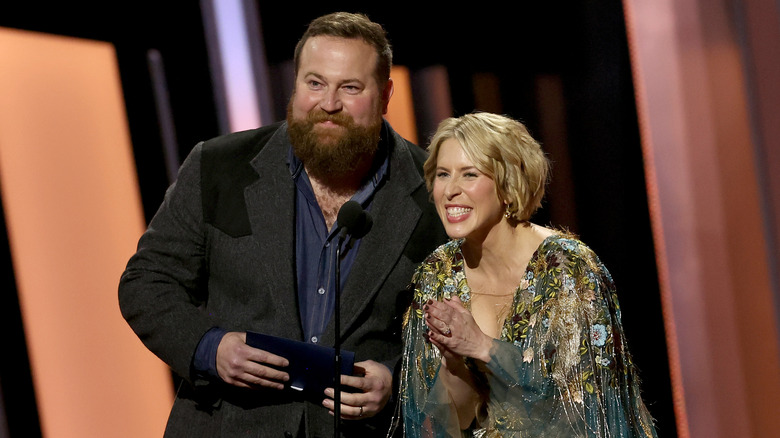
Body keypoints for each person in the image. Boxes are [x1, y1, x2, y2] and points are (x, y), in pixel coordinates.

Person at [119, 12, 447, 438]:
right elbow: (146, 283)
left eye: (350, 87)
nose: (329, 103)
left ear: (385, 95)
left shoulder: (435, 190)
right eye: (315, 83)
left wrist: (402, 382)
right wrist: (209, 347)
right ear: (295, 85)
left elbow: (470, 334)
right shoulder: (220, 167)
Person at [396, 112, 658, 437]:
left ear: (507, 184)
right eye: (443, 174)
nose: (450, 190)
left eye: (469, 174)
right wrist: (453, 363)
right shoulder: (438, 273)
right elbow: (456, 420)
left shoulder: (567, 269)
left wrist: (483, 347)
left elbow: (588, 413)